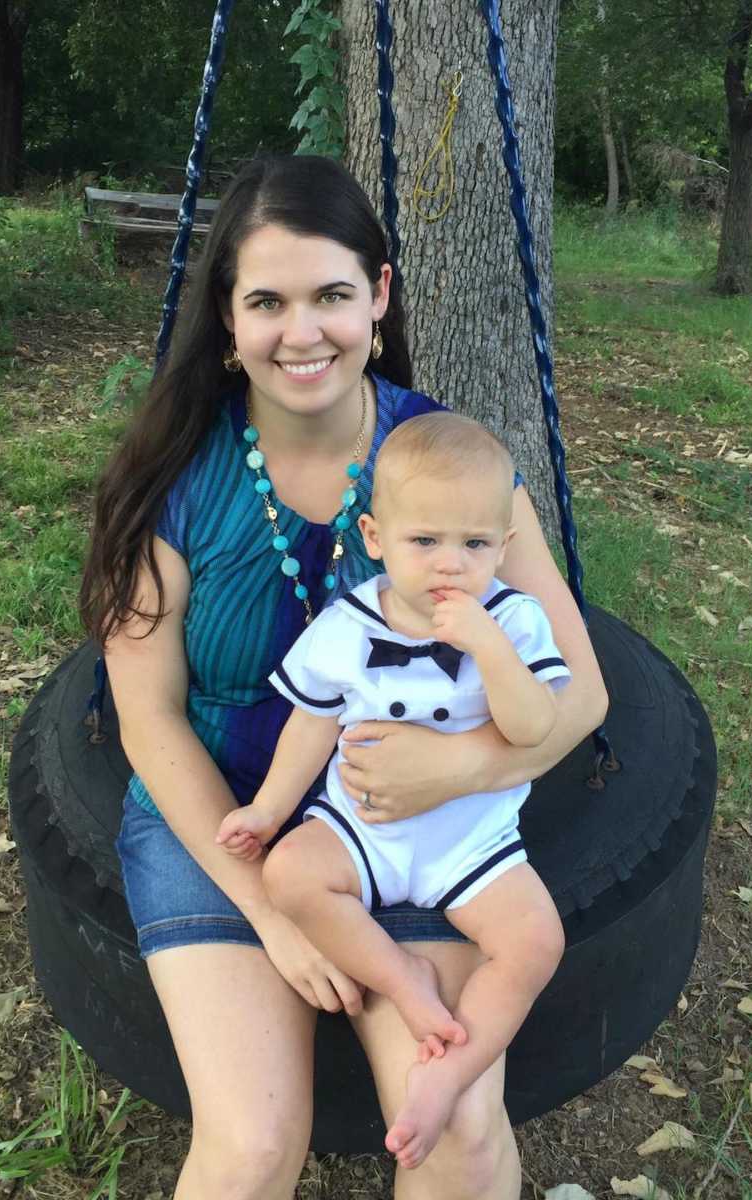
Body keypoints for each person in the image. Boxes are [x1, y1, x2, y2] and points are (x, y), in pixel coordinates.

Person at [80, 154, 608, 1200]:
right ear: (228, 325)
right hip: (228, 819)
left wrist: (454, 771)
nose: (303, 331)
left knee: (456, 1125)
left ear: (379, 294)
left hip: (416, 831)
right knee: (252, 1148)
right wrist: (270, 909)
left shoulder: (457, 472)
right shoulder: (171, 488)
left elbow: (582, 694)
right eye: (266, 301)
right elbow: (148, 722)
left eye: (330, 294)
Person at [216, 411, 572, 1169]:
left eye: (475, 544)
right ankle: (401, 978)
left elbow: (536, 725)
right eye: (425, 542)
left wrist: (488, 647)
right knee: (288, 874)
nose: (451, 564)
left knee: (537, 940)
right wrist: (271, 809)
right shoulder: (349, 620)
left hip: (470, 839)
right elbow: (310, 726)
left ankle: (449, 1072)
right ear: (376, 539)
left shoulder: (515, 618)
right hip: (364, 827)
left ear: (504, 547)